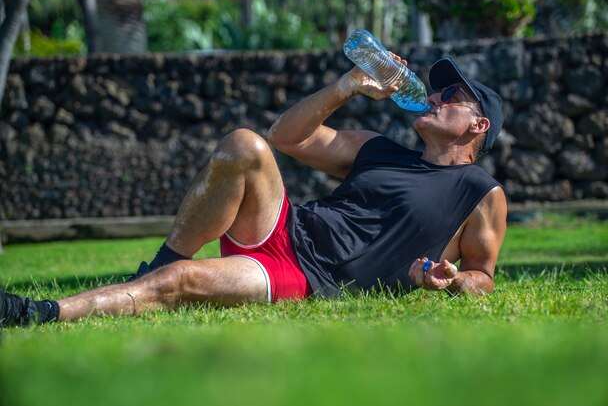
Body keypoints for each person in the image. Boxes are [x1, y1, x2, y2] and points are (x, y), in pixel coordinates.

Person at [0, 56, 507, 327]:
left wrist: (457, 281)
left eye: (451, 96)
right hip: (288, 226)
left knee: (182, 282)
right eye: (438, 91)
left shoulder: (480, 191)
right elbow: (286, 138)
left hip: (308, 275)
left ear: (477, 125)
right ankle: (152, 267)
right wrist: (348, 86)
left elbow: (484, 273)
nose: (435, 96)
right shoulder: (377, 147)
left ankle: (39, 312)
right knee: (243, 144)